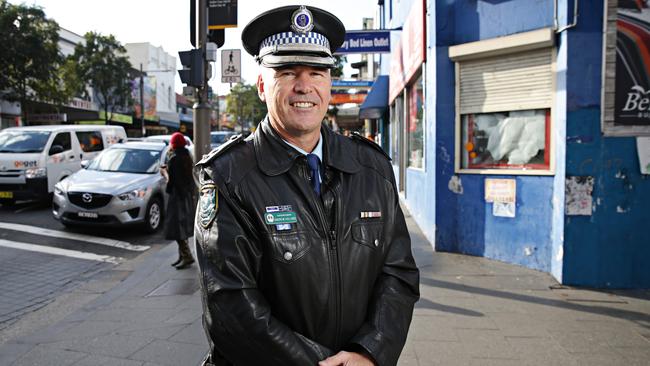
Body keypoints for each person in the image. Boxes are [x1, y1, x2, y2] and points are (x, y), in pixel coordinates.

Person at [194, 5, 420, 366]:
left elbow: (398, 273)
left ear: (329, 83)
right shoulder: (228, 176)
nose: (305, 85)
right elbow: (231, 306)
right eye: (287, 71)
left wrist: (371, 351)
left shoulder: (372, 168)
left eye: (317, 71)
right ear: (262, 85)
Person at [162, 132, 195, 269]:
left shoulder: (174, 159)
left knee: (177, 228)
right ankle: (182, 256)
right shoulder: (187, 155)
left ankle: (187, 256)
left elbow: (171, 183)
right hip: (186, 196)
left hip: (177, 197)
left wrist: (164, 173)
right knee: (182, 227)